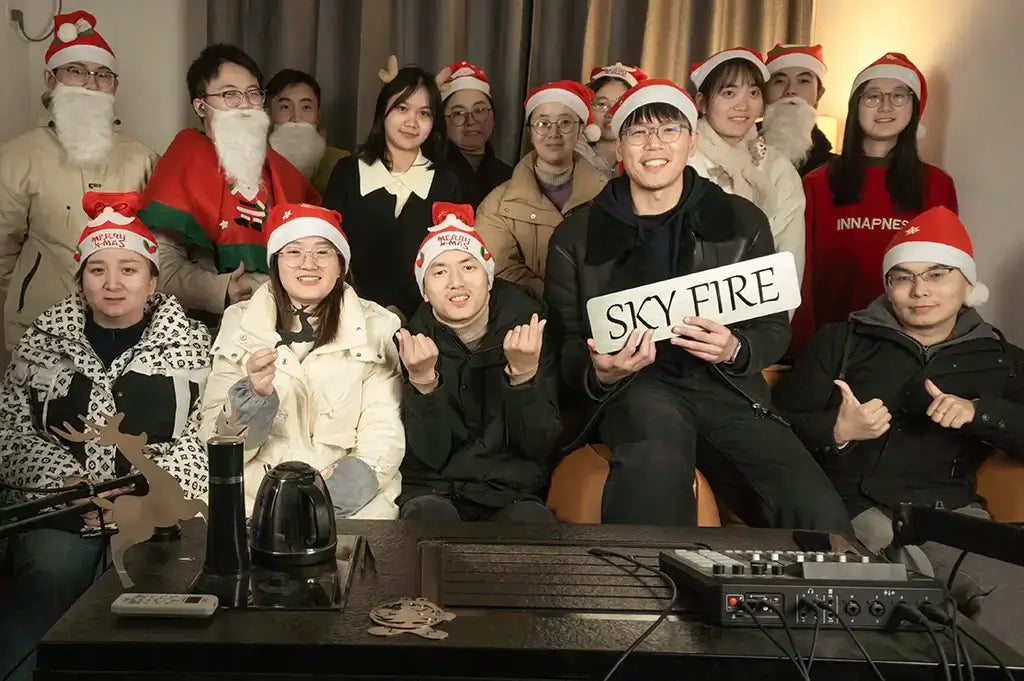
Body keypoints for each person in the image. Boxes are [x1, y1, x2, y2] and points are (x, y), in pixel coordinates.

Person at [545, 79, 850, 530]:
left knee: (814, 506)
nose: (654, 145)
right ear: (621, 147)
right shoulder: (575, 236)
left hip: (727, 387)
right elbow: (566, 343)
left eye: (669, 131)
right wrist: (599, 372)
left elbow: (773, 328)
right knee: (657, 467)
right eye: (638, 133)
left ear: (691, 141)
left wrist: (736, 349)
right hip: (636, 389)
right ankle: (645, 596)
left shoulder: (742, 221)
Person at [775, 207, 1023, 650]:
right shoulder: (840, 341)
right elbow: (777, 430)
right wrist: (838, 430)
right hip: (855, 511)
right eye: (902, 277)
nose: (919, 291)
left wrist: (981, 413)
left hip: (950, 514)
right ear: (888, 286)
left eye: (936, 275)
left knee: (1015, 591)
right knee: (906, 598)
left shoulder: (1002, 356)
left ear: (967, 283)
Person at [0, 192, 211, 681]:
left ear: (153, 279)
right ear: (82, 278)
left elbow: (205, 435)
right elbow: (10, 430)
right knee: (50, 576)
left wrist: (146, 496)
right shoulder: (43, 338)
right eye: (98, 270)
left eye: (129, 269)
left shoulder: (194, 343)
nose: (113, 283)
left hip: (160, 517)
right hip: (63, 512)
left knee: (153, 595)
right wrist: (68, 485)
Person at [200, 203, 404, 517]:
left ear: (341, 264)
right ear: (275, 264)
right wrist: (252, 399)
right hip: (255, 496)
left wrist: (319, 504)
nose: (308, 264)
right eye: (293, 252)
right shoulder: (239, 323)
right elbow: (217, 448)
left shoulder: (377, 325)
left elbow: (383, 435)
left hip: (347, 500)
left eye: (323, 252)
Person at [0, 10, 158, 351]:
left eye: (103, 75)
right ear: (50, 78)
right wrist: (21, 300)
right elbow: (3, 253)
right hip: (39, 328)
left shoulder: (142, 158)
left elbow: (158, 248)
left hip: (127, 328)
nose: (91, 83)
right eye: (76, 71)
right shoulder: (16, 157)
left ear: (114, 85)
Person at [396, 202, 560, 523]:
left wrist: (523, 376)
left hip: (511, 491)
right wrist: (424, 382)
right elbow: (430, 455)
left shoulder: (530, 327)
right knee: (425, 524)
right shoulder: (412, 341)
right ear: (425, 291)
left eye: (469, 268)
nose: (456, 282)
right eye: (439, 271)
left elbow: (538, 445)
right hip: (435, 491)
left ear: (488, 279)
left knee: (531, 526)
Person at [791, 53, 958, 358]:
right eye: (873, 96)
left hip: (911, 348)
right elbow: (803, 273)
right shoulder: (816, 182)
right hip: (833, 345)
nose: (885, 106)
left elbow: (947, 275)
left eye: (898, 96)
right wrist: (803, 347)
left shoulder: (937, 185)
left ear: (914, 108)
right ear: (856, 106)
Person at [138, 44, 319, 322]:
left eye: (252, 94)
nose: (245, 105)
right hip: (206, 323)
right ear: (201, 106)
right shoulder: (184, 161)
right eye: (230, 95)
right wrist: (220, 290)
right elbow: (158, 265)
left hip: (285, 320)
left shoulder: (281, 170)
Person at [323, 62, 460, 322]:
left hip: (424, 322)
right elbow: (327, 249)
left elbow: (450, 261)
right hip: (346, 316)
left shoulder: (446, 182)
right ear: (382, 111)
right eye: (402, 108)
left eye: (424, 113)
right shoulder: (348, 172)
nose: (412, 122)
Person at [475, 81, 607, 295]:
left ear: (581, 129)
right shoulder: (496, 206)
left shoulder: (610, 195)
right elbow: (502, 271)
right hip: (531, 318)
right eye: (542, 123)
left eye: (565, 122)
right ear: (530, 132)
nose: (553, 133)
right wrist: (562, 300)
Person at [688, 48, 805, 284]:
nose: (743, 105)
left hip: (762, 304)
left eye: (753, 93)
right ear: (702, 102)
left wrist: (776, 319)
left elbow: (789, 254)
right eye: (729, 93)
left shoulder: (776, 166)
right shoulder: (683, 158)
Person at [438, 61, 513, 208]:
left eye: (479, 110)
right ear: (441, 121)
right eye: (458, 113)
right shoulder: (429, 173)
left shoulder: (511, 177)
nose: (470, 121)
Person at [266, 68, 350, 195]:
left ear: (318, 116)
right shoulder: (255, 165)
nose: (296, 118)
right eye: (285, 107)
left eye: (306, 107)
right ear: (269, 115)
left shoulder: (339, 163)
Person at [762, 44, 836, 176]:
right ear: (764, 91)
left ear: (819, 93)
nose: (790, 90)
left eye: (803, 81)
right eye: (779, 81)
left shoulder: (835, 170)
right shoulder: (737, 151)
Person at [578, 62, 649, 178]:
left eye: (620, 104)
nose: (611, 113)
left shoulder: (649, 155)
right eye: (601, 104)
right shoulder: (570, 155)